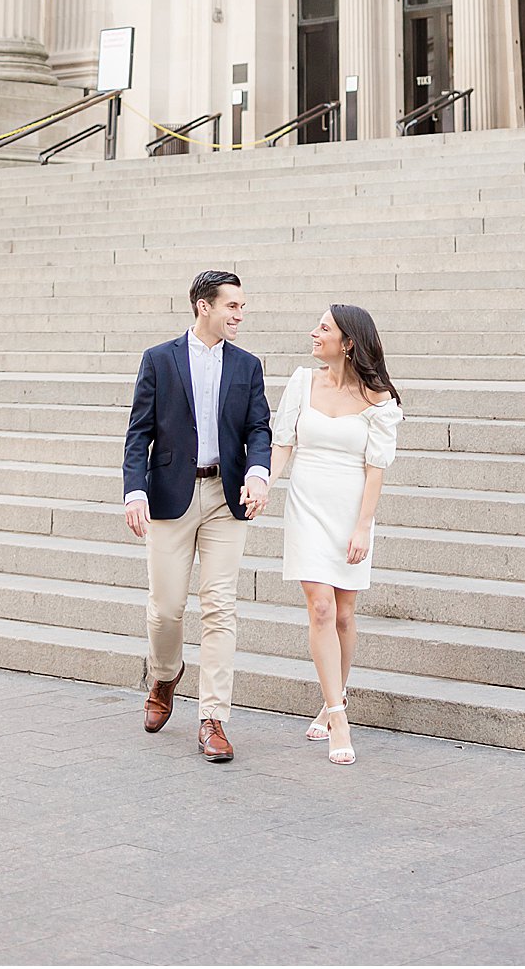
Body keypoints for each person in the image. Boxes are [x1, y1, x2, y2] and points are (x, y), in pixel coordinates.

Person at [122, 269, 271, 763]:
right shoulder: (159, 360)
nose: (240, 315)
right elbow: (138, 432)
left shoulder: (248, 366)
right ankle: (164, 675)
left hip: (226, 499)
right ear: (203, 306)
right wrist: (134, 492)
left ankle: (213, 718)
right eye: (233, 306)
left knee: (220, 606)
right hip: (170, 496)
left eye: (243, 307)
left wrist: (258, 473)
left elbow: (259, 428)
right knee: (165, 609)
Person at [270, 304, 402, 766]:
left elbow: (376, 468)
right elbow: (283, 441)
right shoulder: (301, 381)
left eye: (323, 328)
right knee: (321, 607)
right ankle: (339, 715)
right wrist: (264, 482)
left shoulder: (378, 399)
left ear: (348, 342)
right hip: (306, 505)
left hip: (350, 512)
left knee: (345, 614)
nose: (313, 333)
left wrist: (363, 526)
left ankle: (332, 698)